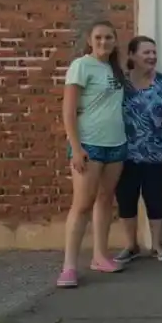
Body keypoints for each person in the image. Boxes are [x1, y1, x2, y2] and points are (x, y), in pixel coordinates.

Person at [56, 20, 128, 288]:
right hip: (89, 145)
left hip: (116, 144)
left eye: (109, 37)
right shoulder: (81, 66)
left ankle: (100, 255)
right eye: (98, 37)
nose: (104, 42)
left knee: (105, 199)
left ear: (115, 41)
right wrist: (76, 147)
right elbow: (68, 110)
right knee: (82, 204)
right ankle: (69, 267)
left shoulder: (115, 68)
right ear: (89, 39)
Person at [113, 36, 162, 265]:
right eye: (146, 52)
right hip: (125, 154)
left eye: (154, 52)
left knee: (155, 199)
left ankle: (157, 245)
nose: (152, 57)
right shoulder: (120, 83)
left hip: (157, 153)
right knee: (126, 199)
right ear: (132, 55)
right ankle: (130, 245)